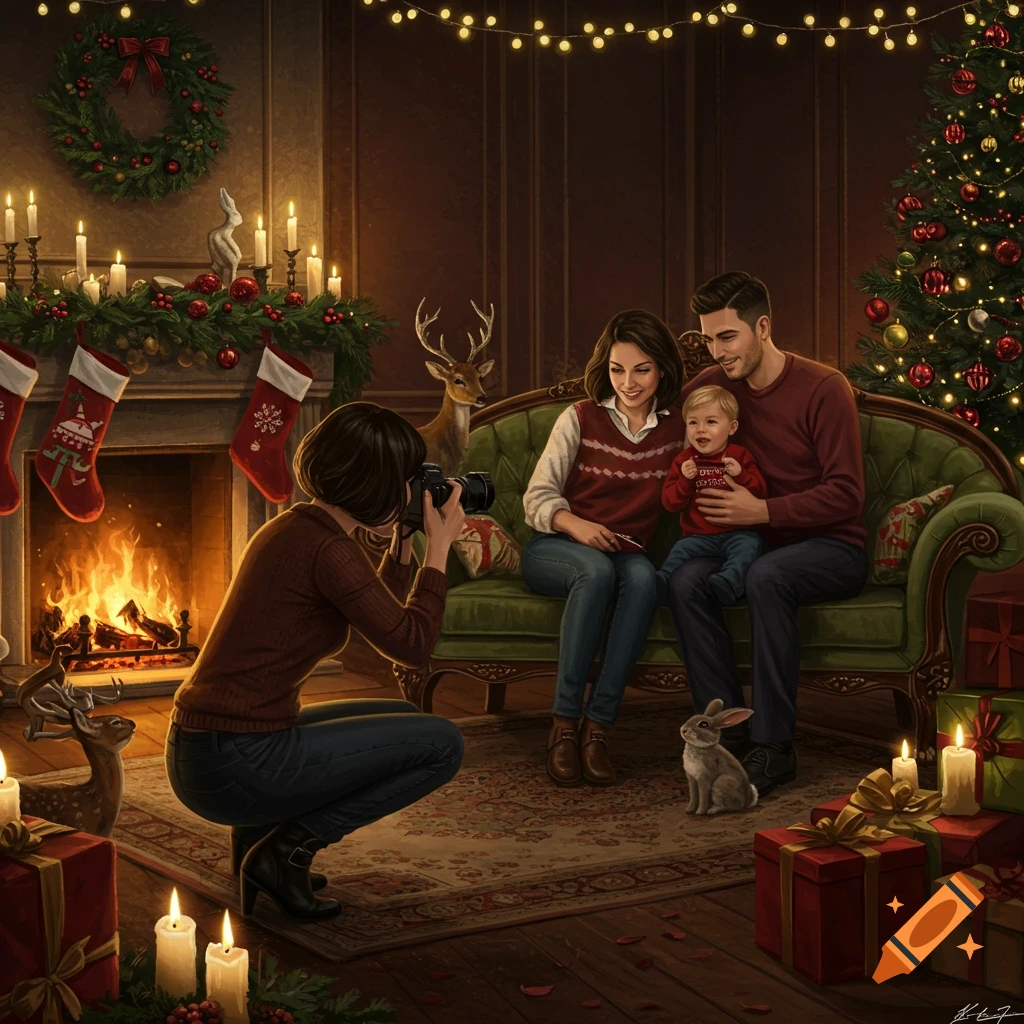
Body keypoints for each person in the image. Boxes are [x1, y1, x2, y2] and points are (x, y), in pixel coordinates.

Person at [165, 402, 466, 924]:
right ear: (376, 481)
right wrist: (438, 551)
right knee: (442, 744)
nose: (416, 489)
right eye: (408, 478)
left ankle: (257, 841)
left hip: (207, 750)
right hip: (233, 764)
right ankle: (288, 853)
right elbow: (412, 646)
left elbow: (378, 616)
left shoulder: (298, 530)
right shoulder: (328, 550)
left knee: (410, 725)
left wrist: (403, 542)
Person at [667, 272, 867, 797]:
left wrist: (762, 511)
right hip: (744, 543)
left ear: (763, 326)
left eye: (727, 337)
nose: (717, 351)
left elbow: (847, 494)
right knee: (686, 579)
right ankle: (724, 738)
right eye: (709, 338)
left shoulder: (824, 388)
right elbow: (664, 442)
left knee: (766, 574)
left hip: (831, 546)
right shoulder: (711, 388)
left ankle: (775, 747)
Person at [522, 310, 685, 788]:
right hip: (556, 548)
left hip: (626, 552)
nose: (628, 383)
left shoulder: (677, 430)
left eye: (642, 369)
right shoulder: (579, 417)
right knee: (595, 572)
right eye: (618, 369)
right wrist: (576, 523)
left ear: (663, 371)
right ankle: (564, 725)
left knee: (641, 579)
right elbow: (536, 499)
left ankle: (598, 729)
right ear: (605, 367)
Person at [658, 384, 767, 606]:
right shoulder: (683, 461)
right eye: (693, 423)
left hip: (738, 533)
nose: (700, 430)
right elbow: (670, 502)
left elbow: (761, 493)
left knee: (749, 548)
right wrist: (684, 481)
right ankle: (661, 583)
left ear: (732, 427)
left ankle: (728, 583)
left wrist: (742, 475)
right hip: (697, 536)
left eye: (711, 422)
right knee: (679, 551)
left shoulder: (740, 456)